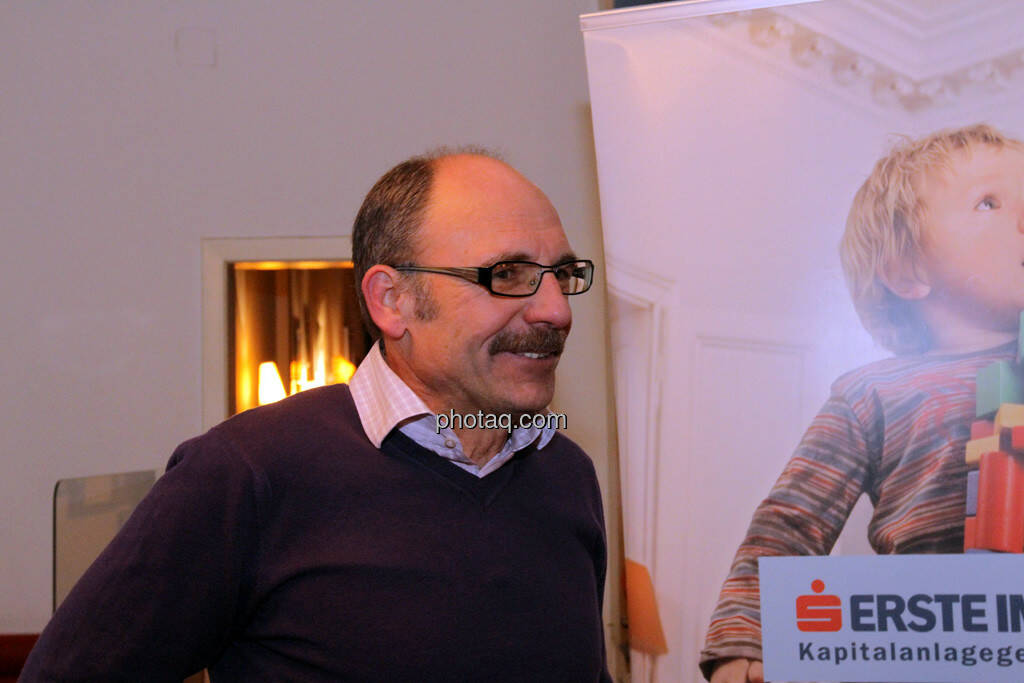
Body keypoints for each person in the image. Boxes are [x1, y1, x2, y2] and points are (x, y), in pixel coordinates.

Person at [21, 149, 611, 682]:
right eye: (506, 275)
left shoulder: (566, 475)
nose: (556, 310)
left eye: (562, 274)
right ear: (392, 300)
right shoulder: (247, 472)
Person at [700, 123, 1024, 683]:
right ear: (907, 271)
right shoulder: (870, 393)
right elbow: (790, 523)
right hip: (938, 648)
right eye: (989, 202)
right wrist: (748, 636)